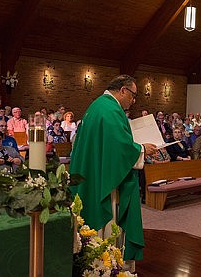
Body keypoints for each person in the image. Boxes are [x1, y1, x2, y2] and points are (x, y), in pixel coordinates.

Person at [69, 74, 157, 262]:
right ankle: (105, 263)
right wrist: (142, 149)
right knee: (106, 228)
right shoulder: (110, 110)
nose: (133, 101)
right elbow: (118, 148)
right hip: (104, 179)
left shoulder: (99, 106)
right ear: (123, 90)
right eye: (133, 96)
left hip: (93, 172)